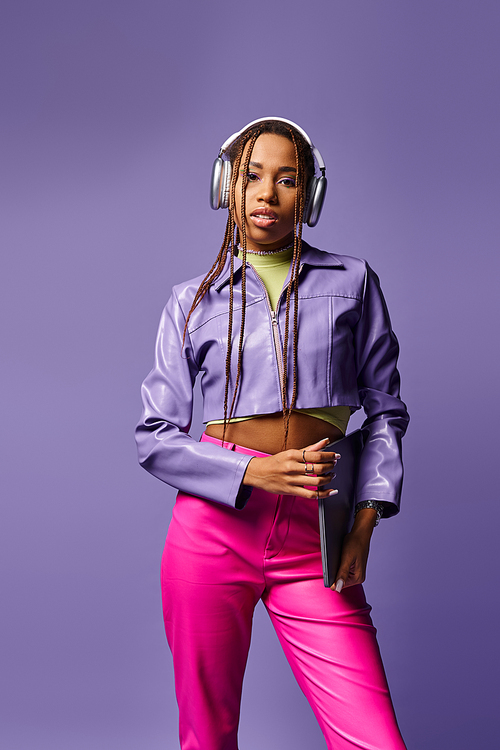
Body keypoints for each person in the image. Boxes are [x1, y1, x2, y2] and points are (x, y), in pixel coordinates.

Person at [135, 117, 410, 750]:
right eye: (251, 176)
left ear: (308, 196)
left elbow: (386, 412)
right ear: (226, 188)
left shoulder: (353, 282)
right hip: (212, 534)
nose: (266, 193)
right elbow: (153, 435)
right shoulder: (191, 300)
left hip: (316, 538)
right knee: (207, 738)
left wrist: (363, 522)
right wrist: (253, 472)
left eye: (286, 180)